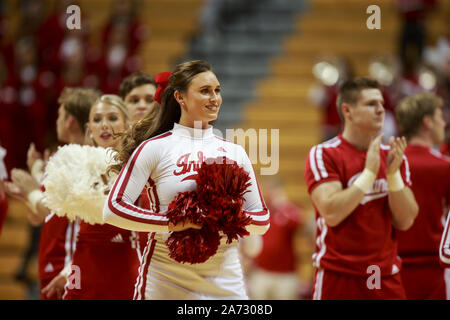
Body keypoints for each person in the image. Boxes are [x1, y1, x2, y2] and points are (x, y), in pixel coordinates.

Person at [103, 60, 270, 299]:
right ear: (180, 98)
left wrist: (224, 215)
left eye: (217, 90)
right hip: (165, 280)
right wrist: (173, 222)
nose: (214, 98)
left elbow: (262, 220)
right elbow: (113, 209)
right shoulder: (154, 148)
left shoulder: (234, 152)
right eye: (205, 91)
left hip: (225, 282)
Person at [304, 77, 419, 300]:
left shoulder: (393, 157)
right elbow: (332, 212)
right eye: (371, 104)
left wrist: (393, 176)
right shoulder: (324, 154)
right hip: (339, 277)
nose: (380, 110)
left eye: (382, 104)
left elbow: (406, 220)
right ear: (347, 110)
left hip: (384, 276)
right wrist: (368, 174)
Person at [4, 87, 100, 300]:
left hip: (66, 262)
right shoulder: (70, 158)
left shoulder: (76, 159)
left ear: (70, 121)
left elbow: (44, 210)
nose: (56, 120)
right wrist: (31, 187)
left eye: (59, 114)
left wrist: (32, 188)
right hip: (58, 260)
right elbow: (41, 216)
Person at [46, 94, 140, 300]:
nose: (104, 125)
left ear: (127, 123)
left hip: (125, 262)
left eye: (112, 118)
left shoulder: (139, 162)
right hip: (84, 262)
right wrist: (66, 271)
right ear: (89, 128)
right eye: (97, 120)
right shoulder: (76, 163)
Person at [394, 93, 449, 299]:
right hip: (433, 268)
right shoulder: (444, 166)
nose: (444, 122)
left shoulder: (387, 163)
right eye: (439, 117)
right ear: (427, 122)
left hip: (390, 268)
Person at [247, 178, 304, 300]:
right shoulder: (260, 213)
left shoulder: (290, 210)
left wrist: (282, 206)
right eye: (268, 190)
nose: (270, 194)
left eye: (273, 190)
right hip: (261, 272)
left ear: (280, 191)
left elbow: (298, 223)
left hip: (285, 275)